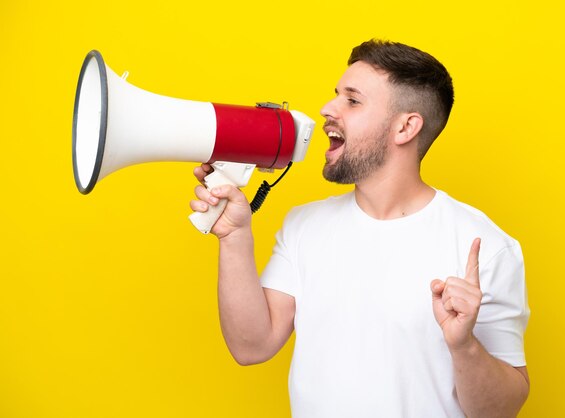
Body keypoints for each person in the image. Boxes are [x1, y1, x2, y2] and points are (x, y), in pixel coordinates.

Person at [190, 39, 530, 418]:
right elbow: (251, 346)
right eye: (336, 95)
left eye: (352, 101)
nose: (327, 109)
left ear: (405, 127)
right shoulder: (304, 226)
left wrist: (464, 345)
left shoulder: (485, 248)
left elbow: (501, 411)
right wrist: (234, 237)